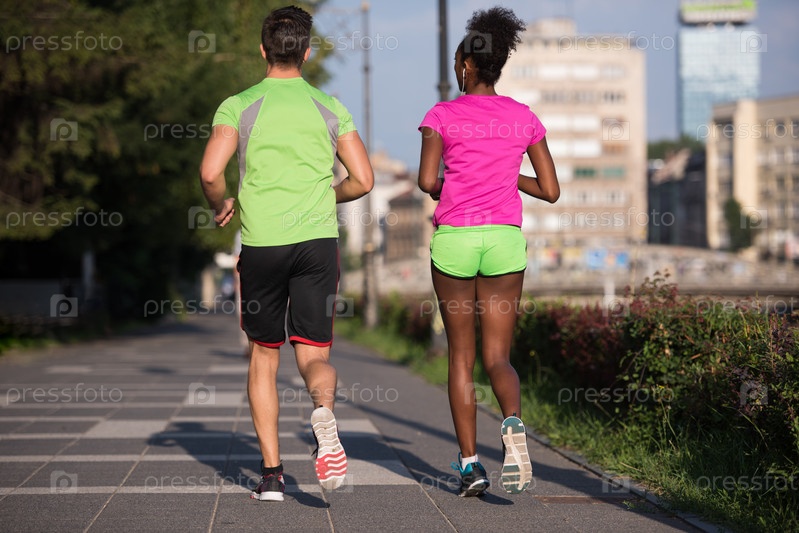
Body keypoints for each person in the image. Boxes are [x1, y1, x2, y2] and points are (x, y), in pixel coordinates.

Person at [200, 5, 374, 502]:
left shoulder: (238, 105)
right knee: (314, 354)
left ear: (263, 50)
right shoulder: (329, 106)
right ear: (307, 52)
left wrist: (221, 204)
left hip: (262, 245)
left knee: (264, 355)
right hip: (317, 244)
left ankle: (273, 476)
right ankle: (324, 413)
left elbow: (210, 173)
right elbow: (363, 179)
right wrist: (326, 196)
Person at [417, 6, 560, 497]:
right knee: (499, 356)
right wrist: (505, 176)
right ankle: (513, 422)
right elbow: (550, 190)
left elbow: (427, 181)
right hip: (503, 242)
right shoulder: (523, 117)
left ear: (466, 65)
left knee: (462, 356)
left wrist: (456, 184)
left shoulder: (441, 115)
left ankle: (471, 466)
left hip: (456, 241)